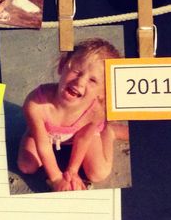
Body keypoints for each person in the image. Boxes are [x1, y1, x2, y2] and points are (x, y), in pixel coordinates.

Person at [17, 38, 121, 191]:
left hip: (80, 136)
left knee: (99, 173)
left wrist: (72, 171)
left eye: (93, 80)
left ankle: (109, 132)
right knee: (26, 166)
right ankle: (33, 128)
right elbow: (43, 145)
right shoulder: (36, 103)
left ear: (102, 92)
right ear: (62, 66)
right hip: (45, 134)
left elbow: (83, 138)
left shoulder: (95, 111)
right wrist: (57, 178)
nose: (80, 82)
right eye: (77, 71)